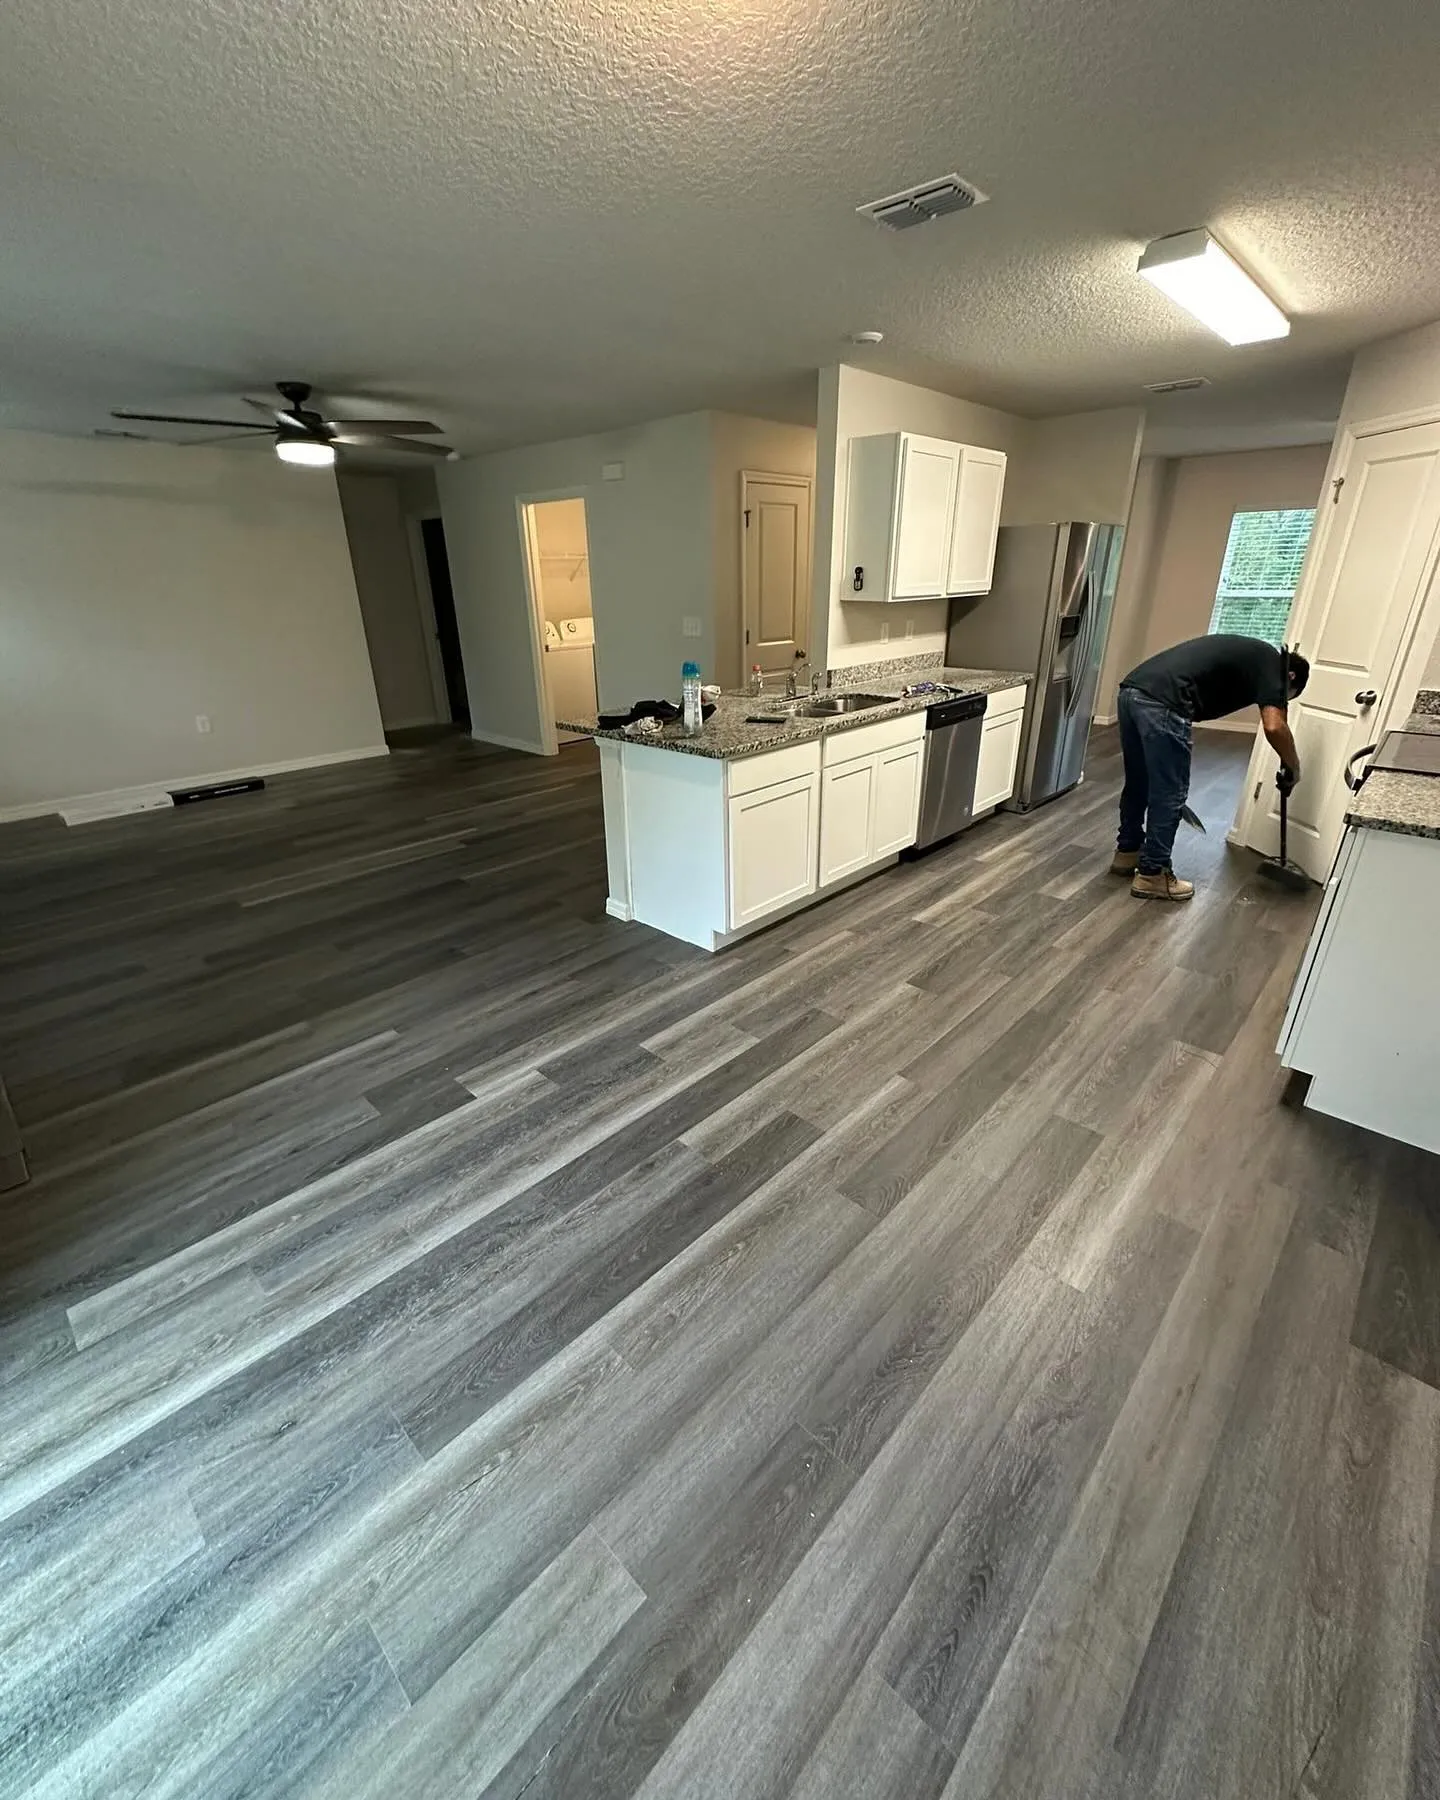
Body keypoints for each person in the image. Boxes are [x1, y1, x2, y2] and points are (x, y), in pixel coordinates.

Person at [1112, 634, 1308, 901]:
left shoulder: (1258, 657)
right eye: (1287, 698)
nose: (1281, 701)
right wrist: (1294, 767)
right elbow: (1275, 726)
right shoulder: (1274, 669)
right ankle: (1152, 874)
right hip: (1165, 702)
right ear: (1291, 678)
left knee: (1139, 781)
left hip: (1133, 690)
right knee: (1170, 794)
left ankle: (1128, 851)